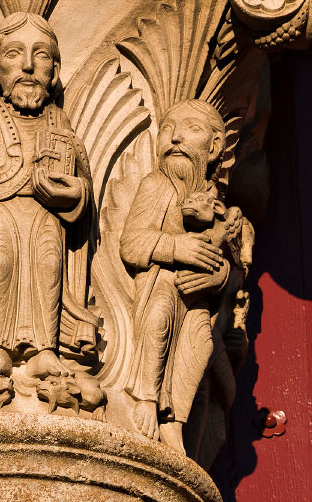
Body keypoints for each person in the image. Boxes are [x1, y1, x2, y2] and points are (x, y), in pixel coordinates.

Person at [0, 12, 99, 382]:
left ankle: (45, 349)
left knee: (48, 266)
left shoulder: (60, 122)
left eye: (41, 56)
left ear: (55, 72)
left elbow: (84, 181)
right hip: (2, 211)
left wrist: (74, 192)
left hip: (48, 216)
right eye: (14, 54)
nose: (27, 65)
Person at [120, 99, 235, 451]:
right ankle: (147, 398)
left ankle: (175, 421)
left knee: (200, 342)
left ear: (215, 147)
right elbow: (130, 243)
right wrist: (176, 248)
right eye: (168, 130)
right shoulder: (158, 185)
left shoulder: (216, 202)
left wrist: (220, 276)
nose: (176, 139)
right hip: (159, 285)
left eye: (191, 130)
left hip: (196, 298)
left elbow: (229, 264)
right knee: (158, 317)